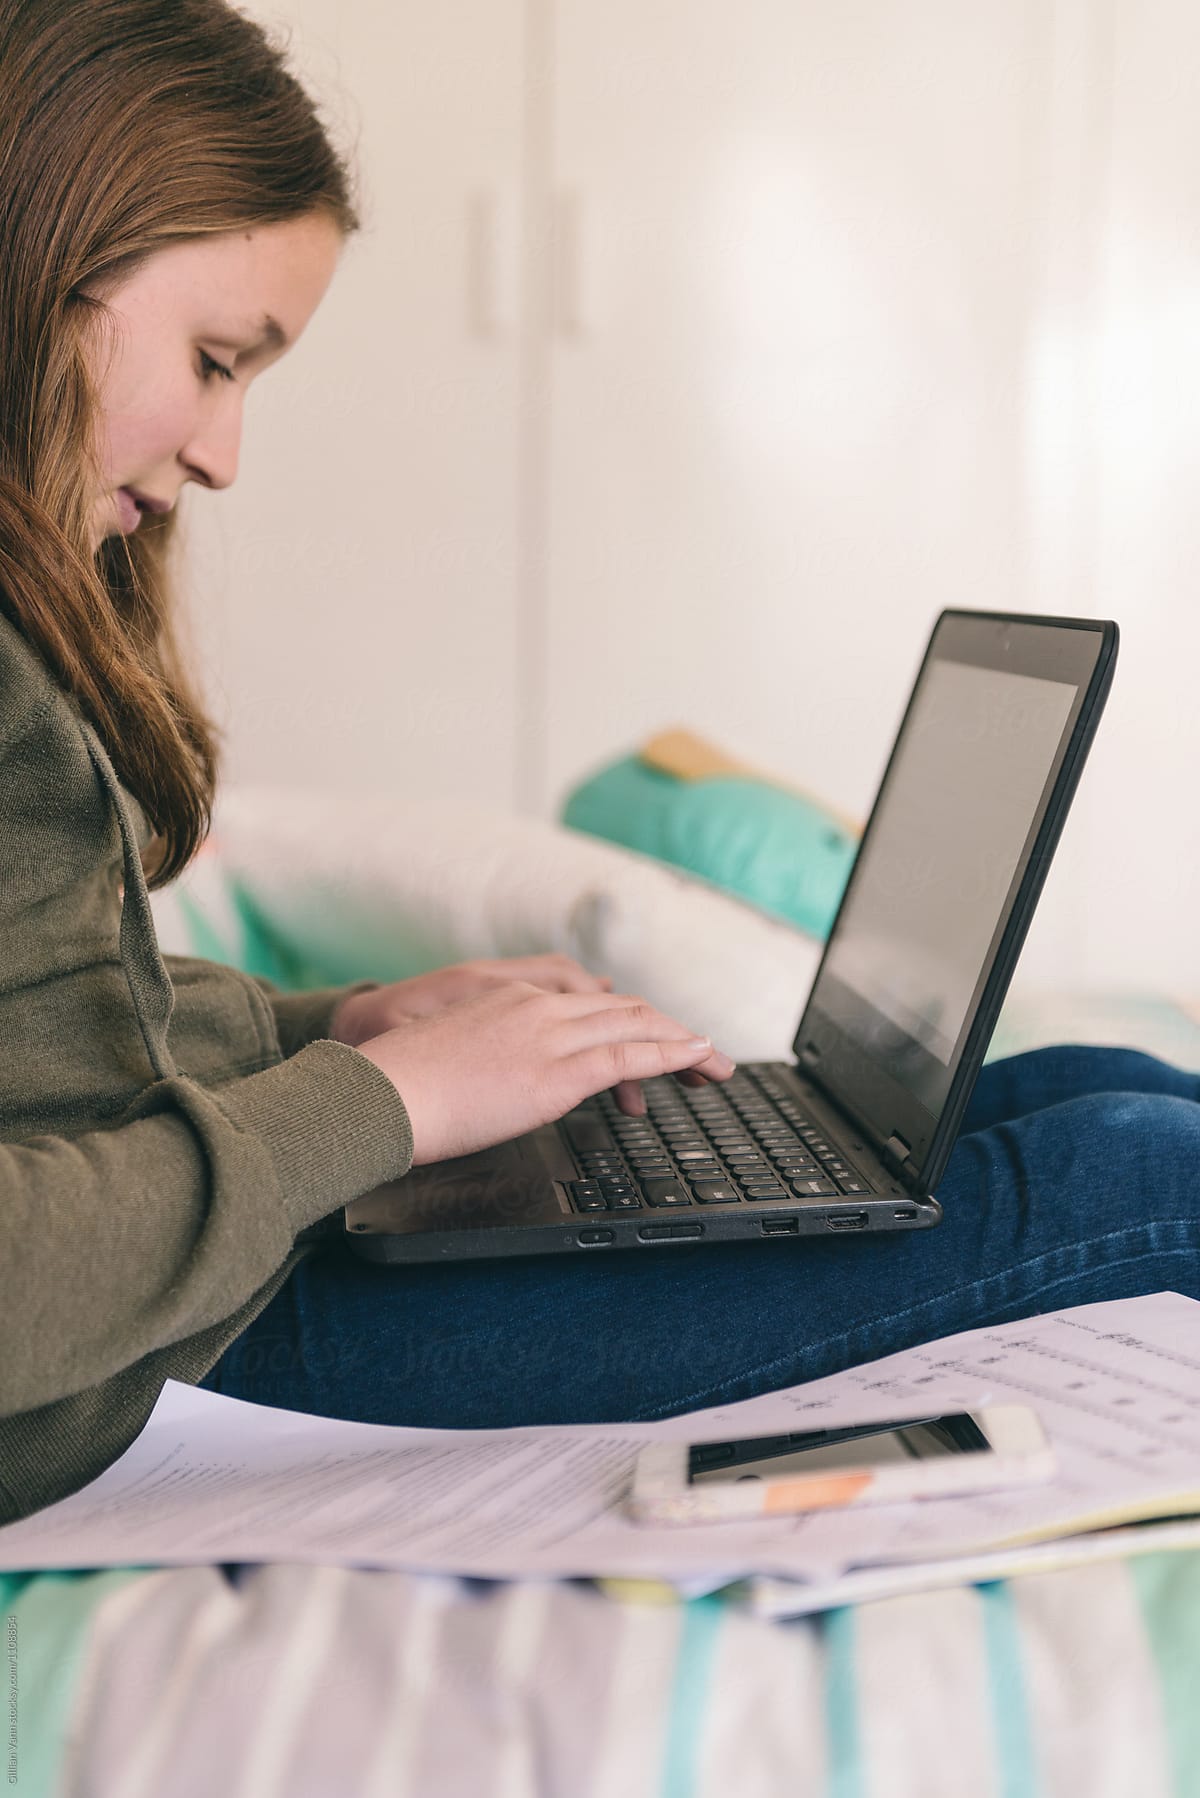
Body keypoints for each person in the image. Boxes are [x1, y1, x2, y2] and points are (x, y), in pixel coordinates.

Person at [2, 0, 1198, 1531]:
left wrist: (341, 1022)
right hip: (168, 1364)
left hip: (219, 1260)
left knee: (1105, 1085)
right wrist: (381, 1099)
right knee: (1143, 1176)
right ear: (46, 255)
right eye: (218, 356)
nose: (226, 456)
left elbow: (61, 1049)